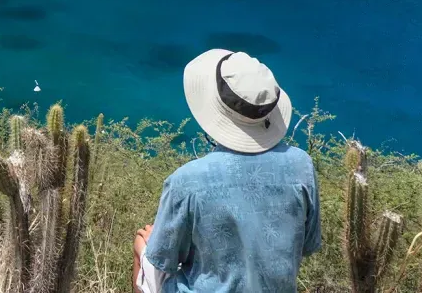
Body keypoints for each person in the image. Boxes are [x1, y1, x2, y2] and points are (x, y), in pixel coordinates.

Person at [133, 49, 321, 293]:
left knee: (142, 243)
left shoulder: (186, 181)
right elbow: (306, 244)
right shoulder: (302, 166)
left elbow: (163, 258)